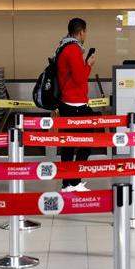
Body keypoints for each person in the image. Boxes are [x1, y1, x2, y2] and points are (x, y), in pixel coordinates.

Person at [56, 17, 97, 192]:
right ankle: (74, 181)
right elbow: (80, 78)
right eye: (85, 32)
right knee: (87, 142)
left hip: (67, 103)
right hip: (76, 105)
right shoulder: (73, 49)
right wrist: (89, 64)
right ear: (81, 32)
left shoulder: (62, 46)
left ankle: (68, 183)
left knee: (69, 144)